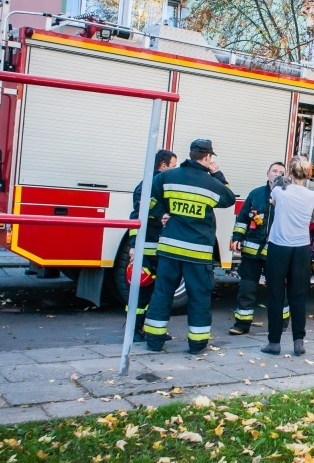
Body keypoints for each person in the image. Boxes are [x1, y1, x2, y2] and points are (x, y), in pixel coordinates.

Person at [143, 139, 236, 354]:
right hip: (198, 253)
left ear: (191, 154)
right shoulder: (211, 183)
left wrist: (161, 216)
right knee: (199, 297)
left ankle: (154, 342)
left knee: (162, 294)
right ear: (207, 158)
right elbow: (229, 198)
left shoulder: (167, 176)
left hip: (169, 249)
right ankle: (197, 344)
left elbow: (147, 196)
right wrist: (217, 173)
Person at [261, 156, 314, 356]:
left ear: (289, 172)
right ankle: (298, 341)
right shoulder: (313, 195)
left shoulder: (279, 192)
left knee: (276, 295)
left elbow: (274, 203)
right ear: (308, 174)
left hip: (278, 247)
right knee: (298, 295)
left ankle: (274, 343)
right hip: (301, 248)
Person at [229, 161, 290, 335]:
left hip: (275, 252)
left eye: (281, 172)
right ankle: (241, 324)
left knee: (278, 289)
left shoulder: (287, 196)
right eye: (274, 170)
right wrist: (237, 238)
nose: (277, 174)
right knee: (246, 288)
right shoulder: (255, 195)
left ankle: (282, 323)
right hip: (252, 252)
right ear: (267, 173)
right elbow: (242, 219)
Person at [124, 149, 177, 343]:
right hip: (146, 248)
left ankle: (150, 330)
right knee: (143, 290)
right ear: (163, 166)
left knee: (157, 292)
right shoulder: (148, 185)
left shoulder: (162, 185)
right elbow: (137, 217)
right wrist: (133, 246)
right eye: (173, 166)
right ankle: (135, 330)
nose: (174, 170)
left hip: (160, 247)